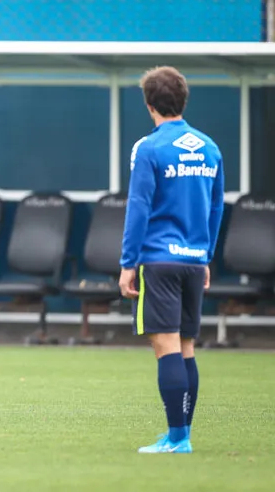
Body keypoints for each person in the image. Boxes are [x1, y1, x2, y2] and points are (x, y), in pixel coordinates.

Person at [119, 66, 224, 454]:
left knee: (166, 347)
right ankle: (182, 435)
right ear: (183, 100)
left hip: (159, 261)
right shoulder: (210, 148)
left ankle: (177, 438)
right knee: (186, 347)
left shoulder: (148, 148)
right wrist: (205, 256)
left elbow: (139, 206)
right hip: (194, 260)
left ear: (150, 105)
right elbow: (215, 208)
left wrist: (128, 262)